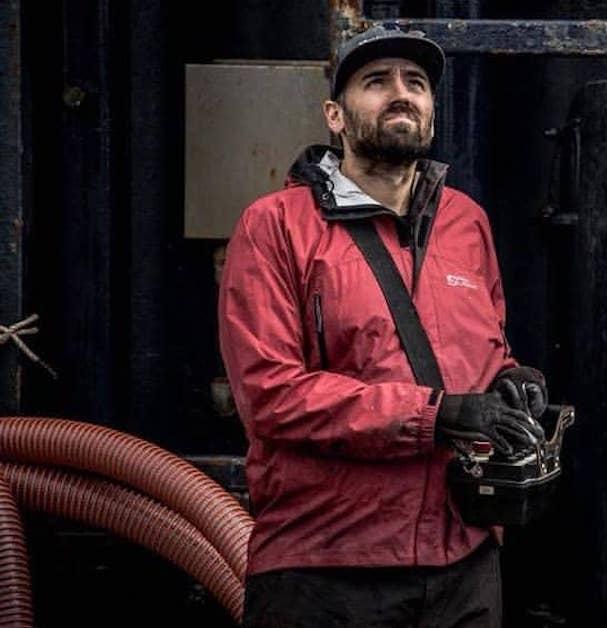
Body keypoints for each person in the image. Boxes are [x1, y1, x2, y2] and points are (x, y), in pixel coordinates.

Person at [218, 23, 548, 627]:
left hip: (463, 559)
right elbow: (270, 394)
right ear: (335, 116)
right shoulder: (275, 226)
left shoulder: (466, 222)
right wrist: (438, 413)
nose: (402, 93)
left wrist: (509, 379)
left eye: (416, 83)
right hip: (328, 566)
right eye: (376, 81)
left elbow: (486, 347)